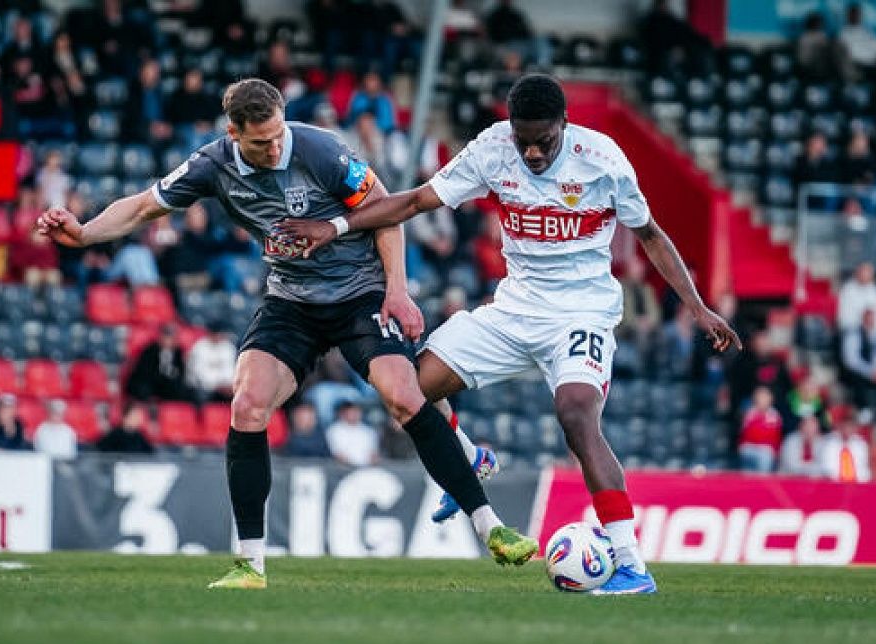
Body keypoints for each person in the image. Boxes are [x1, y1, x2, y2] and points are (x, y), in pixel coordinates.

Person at [37, 78, 535, 590]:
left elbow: (387, 212)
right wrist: (84, 232)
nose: (275, 147)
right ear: (233, 133)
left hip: (360, 294)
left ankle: (490, 526)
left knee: (406, 397)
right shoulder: (212, 165)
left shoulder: (319, 150)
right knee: (247, 406)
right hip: (291, 301)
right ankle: (250, 564)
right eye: (260, 142)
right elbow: (144, 206)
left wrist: (398, 290)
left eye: (278, 134)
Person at [278, 73, 741, 595]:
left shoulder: (603, 159)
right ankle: (470, 457)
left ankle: (631, 562)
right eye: (524, 141)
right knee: (407, 389)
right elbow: (413, 203)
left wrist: (698, 308)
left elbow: (651, 236)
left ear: (564, 125)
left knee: (575, 416)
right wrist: (336, 226)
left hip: (581, 314)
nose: (533, 153)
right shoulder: (493, 149)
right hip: (514, 310)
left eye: (544, 141)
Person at [125, 324, 193, 403]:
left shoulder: (178, 353)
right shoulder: (150, 350)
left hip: (167, 384)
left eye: (171, 338)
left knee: (181, 390)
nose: (168, 340)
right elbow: (144, 371)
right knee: (142, 389)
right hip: (151, 382)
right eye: (166, 337)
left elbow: (180, 372)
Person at [187, 322, 238, 403]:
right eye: (216, 334)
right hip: (202, 387)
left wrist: (226, 384)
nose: (219, 336)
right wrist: (217, 386)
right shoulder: (200, 347)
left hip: (224, 387)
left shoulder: (228, 347)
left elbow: (230, 369)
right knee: (202, 394)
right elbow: (200, 374)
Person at [737, 385, 783, 473]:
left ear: (770, 399)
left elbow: (775, 437)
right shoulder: (750, 413)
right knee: (745, 451)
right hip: (750, 448)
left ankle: (763, 481)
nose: (762, 399)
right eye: (759, 396)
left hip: (766, 450)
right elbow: (745, 435)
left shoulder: (775, 415)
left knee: (764, 455)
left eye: (764, 396)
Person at [325, 400, 380, 467]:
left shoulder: (369, 431)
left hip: (367, 468)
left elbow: (374, 454)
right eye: (351, 412)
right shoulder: (333, 431)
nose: (355, 414)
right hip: (343, 469)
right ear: (342, 414)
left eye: (357, 411)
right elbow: (338, 454)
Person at [819, 416, 871, 482]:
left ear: (854, 429)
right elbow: (828, 468)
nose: (847, 430)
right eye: (844, 427)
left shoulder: (861, 445)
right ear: (839, 428)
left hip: (856, 484)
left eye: (850, 427)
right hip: (834, 484)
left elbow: (863, 468)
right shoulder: (829, 444)